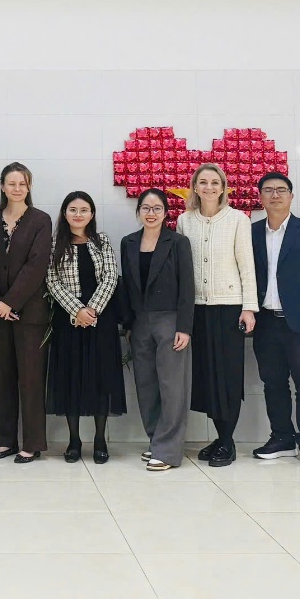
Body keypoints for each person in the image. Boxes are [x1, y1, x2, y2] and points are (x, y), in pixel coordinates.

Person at [175, 164, 256, 467]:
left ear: (223, 188)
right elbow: (181, 268)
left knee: (228, 375)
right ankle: (222, 438)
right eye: (203, 182)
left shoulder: (238, 219)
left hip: (229, 307)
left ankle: (227, 441)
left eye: (214, 182)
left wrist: (249, 308)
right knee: (206, 375)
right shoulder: (185, 221)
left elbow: (247, 266)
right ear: (195, 187)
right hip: (196, 309)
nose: (209, 187)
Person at [250, 172, 300, 468]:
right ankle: (282, 437)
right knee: (273, 383)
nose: (275, 195)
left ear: (291, 196)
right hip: (265, 321)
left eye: (281, 190)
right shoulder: (251, 232)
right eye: (268, 190)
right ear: (260, 197)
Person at [46, 191, 125, 463]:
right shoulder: (55, 244)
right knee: (70, 379)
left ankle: (100, 439)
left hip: (100, 322)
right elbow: (52, 281)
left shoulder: (102, 241)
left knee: (100, 379)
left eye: (84, 210)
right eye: (73, 209)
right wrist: (77, 310)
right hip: (68, 322)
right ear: (64, 213)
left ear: (92, 214)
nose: (78, 214)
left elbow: (110, 277)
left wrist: (91, 311)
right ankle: (74, 440)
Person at [119, 188, 195, 472]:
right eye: (146, 208)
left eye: (157, 208)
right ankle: (156, 440)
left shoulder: (178, 242)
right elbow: (127, 285)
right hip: (139, 322)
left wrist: (184, 327)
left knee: (172, 386)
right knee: (146, 385)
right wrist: (128, 324)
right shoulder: (128, 242)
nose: (151, 213)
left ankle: (168, 450)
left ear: (166, 213)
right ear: (138, 211)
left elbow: (187, 286)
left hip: (170, 320)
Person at [0, 163, 52, 463]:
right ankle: (3, 440)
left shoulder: (40, 220)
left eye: (22, 183)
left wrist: (11, 302)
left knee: (31, 379)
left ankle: (32, 443)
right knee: (1, 377)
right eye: (11, 183)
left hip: (30, 312)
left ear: (29, 186)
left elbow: (37, 265)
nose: (17, 189)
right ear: (2, 186)